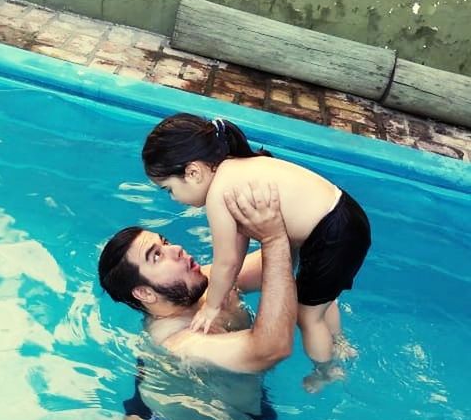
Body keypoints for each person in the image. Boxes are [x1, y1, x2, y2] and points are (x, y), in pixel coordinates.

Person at [142, 112, 371, 390]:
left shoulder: (218, 196)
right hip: (345, 213)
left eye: (169, 189)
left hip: (331, 233)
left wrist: (211, 307)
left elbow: (225, 262)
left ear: (193, 172)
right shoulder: (238, 167)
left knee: (308, 318)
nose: (174, 198)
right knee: (320, 301)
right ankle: (340, 344)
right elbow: (236, 254)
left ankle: (326, 372)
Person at [98, 180, 296, 375]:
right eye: (156, 255)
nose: (176, 249)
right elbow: (270, 349)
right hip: (222, 407)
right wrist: (273, 238)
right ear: (144, 293)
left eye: (165, 242)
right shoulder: (180, 343)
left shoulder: (203, 282)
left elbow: (283, 259)